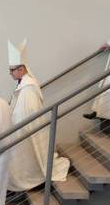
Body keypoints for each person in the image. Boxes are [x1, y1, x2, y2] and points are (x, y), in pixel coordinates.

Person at [6, 40, 71, 192]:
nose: (10, 73)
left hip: (27, 130)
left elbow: (27, 112)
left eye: (12, 70)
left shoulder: (28, 87)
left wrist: (13, 120)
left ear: (21, 69)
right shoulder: (23, 82)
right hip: (22, 129)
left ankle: (34, 177)